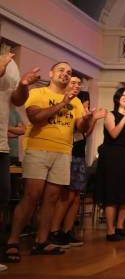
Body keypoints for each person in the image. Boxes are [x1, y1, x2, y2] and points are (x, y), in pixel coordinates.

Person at [5, 62, 101, 260]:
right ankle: (12, 241)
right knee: (32, 196)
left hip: (63, 152)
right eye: (61, 70)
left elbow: (80, 128)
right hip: (38, 149)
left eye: (69, 72)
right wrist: (63, 102)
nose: (65, 74)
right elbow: (36, 117)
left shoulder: (75, 102)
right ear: (51, 73)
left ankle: (42, 241)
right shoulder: (39, 93)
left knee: (52, 199)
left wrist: (88, 118)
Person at [49, 83, 102, 248]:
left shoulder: (83, 112)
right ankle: (55, 231)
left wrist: (91, 118)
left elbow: (85, 133)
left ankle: (67, 231)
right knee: (66, 195)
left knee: (75, 196)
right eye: (84, 102)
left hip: (79, 156)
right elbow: (72, 130)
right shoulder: (70, 109)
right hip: (67, 153)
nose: (86, 105)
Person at [1, 52, 40, 267]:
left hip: (2, 144)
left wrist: (23, 84)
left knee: (2, 197)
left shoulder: (10, 63)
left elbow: (16, 99)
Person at [96, 87, 125, 241]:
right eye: (124, 95)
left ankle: (120, 226)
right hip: (111, 154)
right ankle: (110, 230)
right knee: (112, 193)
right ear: (118, 98)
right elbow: (114, 134)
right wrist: (124, 117)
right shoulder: (110, 114)